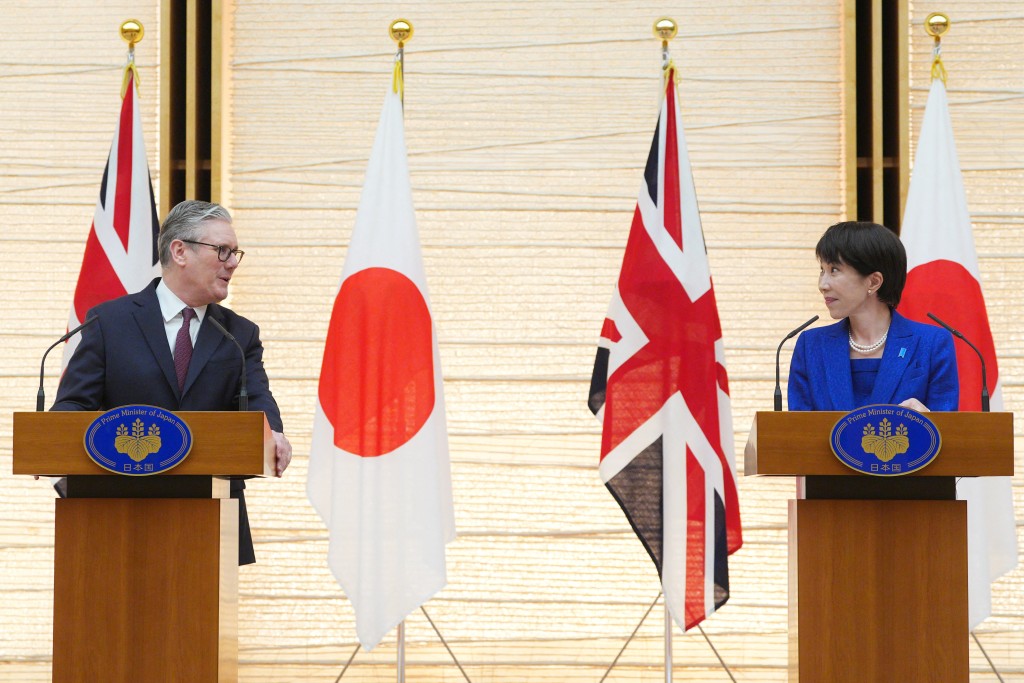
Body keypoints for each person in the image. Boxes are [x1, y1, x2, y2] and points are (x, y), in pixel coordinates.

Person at [52, 199, 292, 565]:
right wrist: (55, 445)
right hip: (116, 517)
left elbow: (258, 398)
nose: (232, 263)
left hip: (209, 523)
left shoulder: (238, 335)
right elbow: (71, 408)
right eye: (222, 250)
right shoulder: (109, 323)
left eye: (234, 253)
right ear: (180, 251)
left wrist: (272, 432)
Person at [788, 221, 958, 412]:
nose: (822, 285)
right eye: (822, 271)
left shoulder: (932, 343)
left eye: (834, 270)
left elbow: (946, 429)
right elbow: (799, 431)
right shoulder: (811, 345)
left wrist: (928, 421)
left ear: (874, 281)